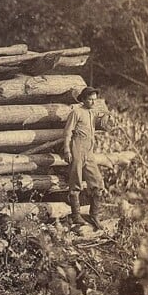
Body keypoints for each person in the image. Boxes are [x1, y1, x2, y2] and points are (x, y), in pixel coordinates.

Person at [63, 86, 110, 229]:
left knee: (98, 183)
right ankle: (76, 216)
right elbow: (67, 132)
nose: (93, 102)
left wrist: (106, 115)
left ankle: (94, 215)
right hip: (77, 148)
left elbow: (103, 121)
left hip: (89, 151)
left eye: (94, 99)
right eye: (90, 99)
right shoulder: (76, 112)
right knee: (75, 182)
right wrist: (67, 150)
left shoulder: (93, 112)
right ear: (83, 99)